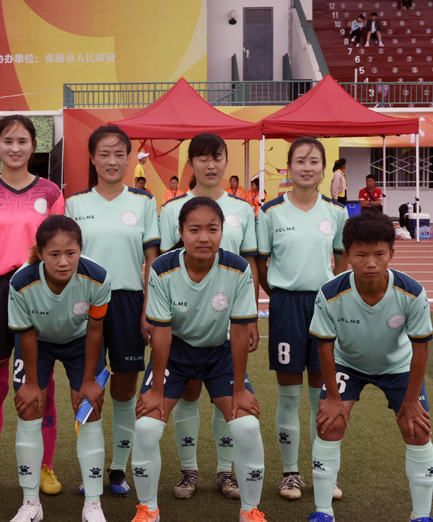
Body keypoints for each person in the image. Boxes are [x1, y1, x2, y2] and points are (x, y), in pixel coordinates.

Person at [130, 197, 269, 522]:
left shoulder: (237, 268)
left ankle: (250, 511)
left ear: (222, 232)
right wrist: (155, 390)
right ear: (181, 232)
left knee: (247, 426)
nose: (204, 237)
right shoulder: (162, 267)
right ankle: (148, 509)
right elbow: (161, 333)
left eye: (212, 229)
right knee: (147, 427)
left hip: (220, 354)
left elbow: (239, 332)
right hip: (176, 355)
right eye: (194, 230)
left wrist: (239, 389)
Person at [307, 212, 433, 522]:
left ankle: (421, 515)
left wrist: (411, 399)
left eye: (379, 254)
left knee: (417, 429)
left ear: (392, 253)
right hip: (348, 364)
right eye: (361, 255)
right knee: (329, 423)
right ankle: (323, 512)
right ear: (347, 255)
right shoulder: (330, 293)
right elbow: (324, 346)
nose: (371, 263)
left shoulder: (412, 292)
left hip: (398, 366)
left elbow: (421, 348)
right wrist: (333, 397)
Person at [0, 115, 65, 497]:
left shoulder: (51, 193)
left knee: (41, 386)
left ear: (33, 145)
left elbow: (60, 247)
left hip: (38, 293)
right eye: (8, 140)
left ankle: (45, 466)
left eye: (23, 140)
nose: (15, 148)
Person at [159, 133, 260, 501]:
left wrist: (252, 314)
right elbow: (161, 265)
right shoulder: (171, 209)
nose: (211, 165)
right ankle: (189, 470)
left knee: (226, 394)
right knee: (187, 391)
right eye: (202, 158)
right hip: (184, 320)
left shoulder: (243, 209)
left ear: (225, 161)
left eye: (217, 157)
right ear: (191, 163)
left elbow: (250, 262)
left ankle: (224, 471)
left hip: (228, 320)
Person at [65, 125, 160, 499]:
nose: (111, 161)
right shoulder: (75, 204)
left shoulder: (144, 202)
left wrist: (148, 308)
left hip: (127, 302)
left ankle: (118, 469)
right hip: (84, 304)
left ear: (128, 158)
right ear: (92, 158)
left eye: (119, 154)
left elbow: (152, 260)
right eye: (104, 154)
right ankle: (89, 471)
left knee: (123, 390)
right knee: (86, 387)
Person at [256, 137, 349, 501]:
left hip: (323, 308)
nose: (307, 167)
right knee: (289, 395)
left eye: (314, 161)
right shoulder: (271, 212)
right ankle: (290, 473)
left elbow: (342, 260)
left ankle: (322, 471)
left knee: (321, 395)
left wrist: (331, 294)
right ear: (289, 167)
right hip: (286, 307)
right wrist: (280, 294)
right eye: (300, 161)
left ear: (324, 169)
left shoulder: (336, 212)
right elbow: (261, 264)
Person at [8, 215, 112, 522]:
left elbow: (95, 329)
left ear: (81, 249)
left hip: (80, 343)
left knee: (89, 409)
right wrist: (30, 383)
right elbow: (26, 334)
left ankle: (92, 504)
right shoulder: (21, 282)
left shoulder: (98, 277)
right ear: (40, 253)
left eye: (71, 253)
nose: (63, 261)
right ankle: (30, 503)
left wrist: (89, 380)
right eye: (54, 254)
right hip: (37, 343)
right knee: (29, 407)